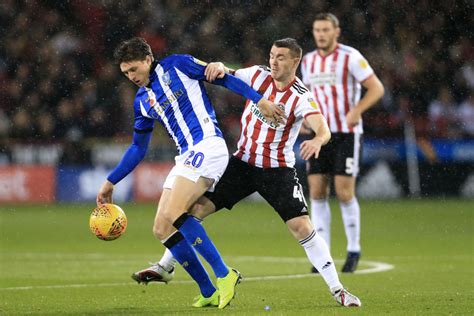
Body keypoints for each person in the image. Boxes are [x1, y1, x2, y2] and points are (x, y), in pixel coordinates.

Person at [135, 38, 362, 307]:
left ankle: (338, 290)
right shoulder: (257, 75)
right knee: (191, 212)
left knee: (302, 227)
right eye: (271, 55)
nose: (273, 61)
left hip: (276, 170)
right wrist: (218, 65)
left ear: (295, 62)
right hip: (241, 165)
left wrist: (316, 140)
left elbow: (322, 128)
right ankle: (165, 266)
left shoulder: (301, 96)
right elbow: (226, 74)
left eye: (280, 57)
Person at [96, 37, 285, 309]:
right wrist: (110, 181)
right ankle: (207, 290)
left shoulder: (178, 65)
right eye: (126, 73)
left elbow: (222, 78)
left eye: (134, 69)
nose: (131, 77)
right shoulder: (142, 101)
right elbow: (138, 148)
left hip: (208, 145)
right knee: (162, 228)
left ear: (148, 59)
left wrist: (260, 100)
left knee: (175, 212)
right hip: (186, 155)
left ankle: (224, 274)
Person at [300, 13, 385, 273]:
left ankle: (353, 249)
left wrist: (357, 110)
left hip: (347, 133)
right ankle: (322, 253)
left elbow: (376, 88)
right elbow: (307, 96)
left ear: (336, 31)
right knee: (316, 192)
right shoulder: (308, 61)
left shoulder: (350, 56)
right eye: (317, 30)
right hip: (319, 134)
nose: (321, 34)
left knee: (345, 192)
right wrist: (304, 120)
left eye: (326, 29)